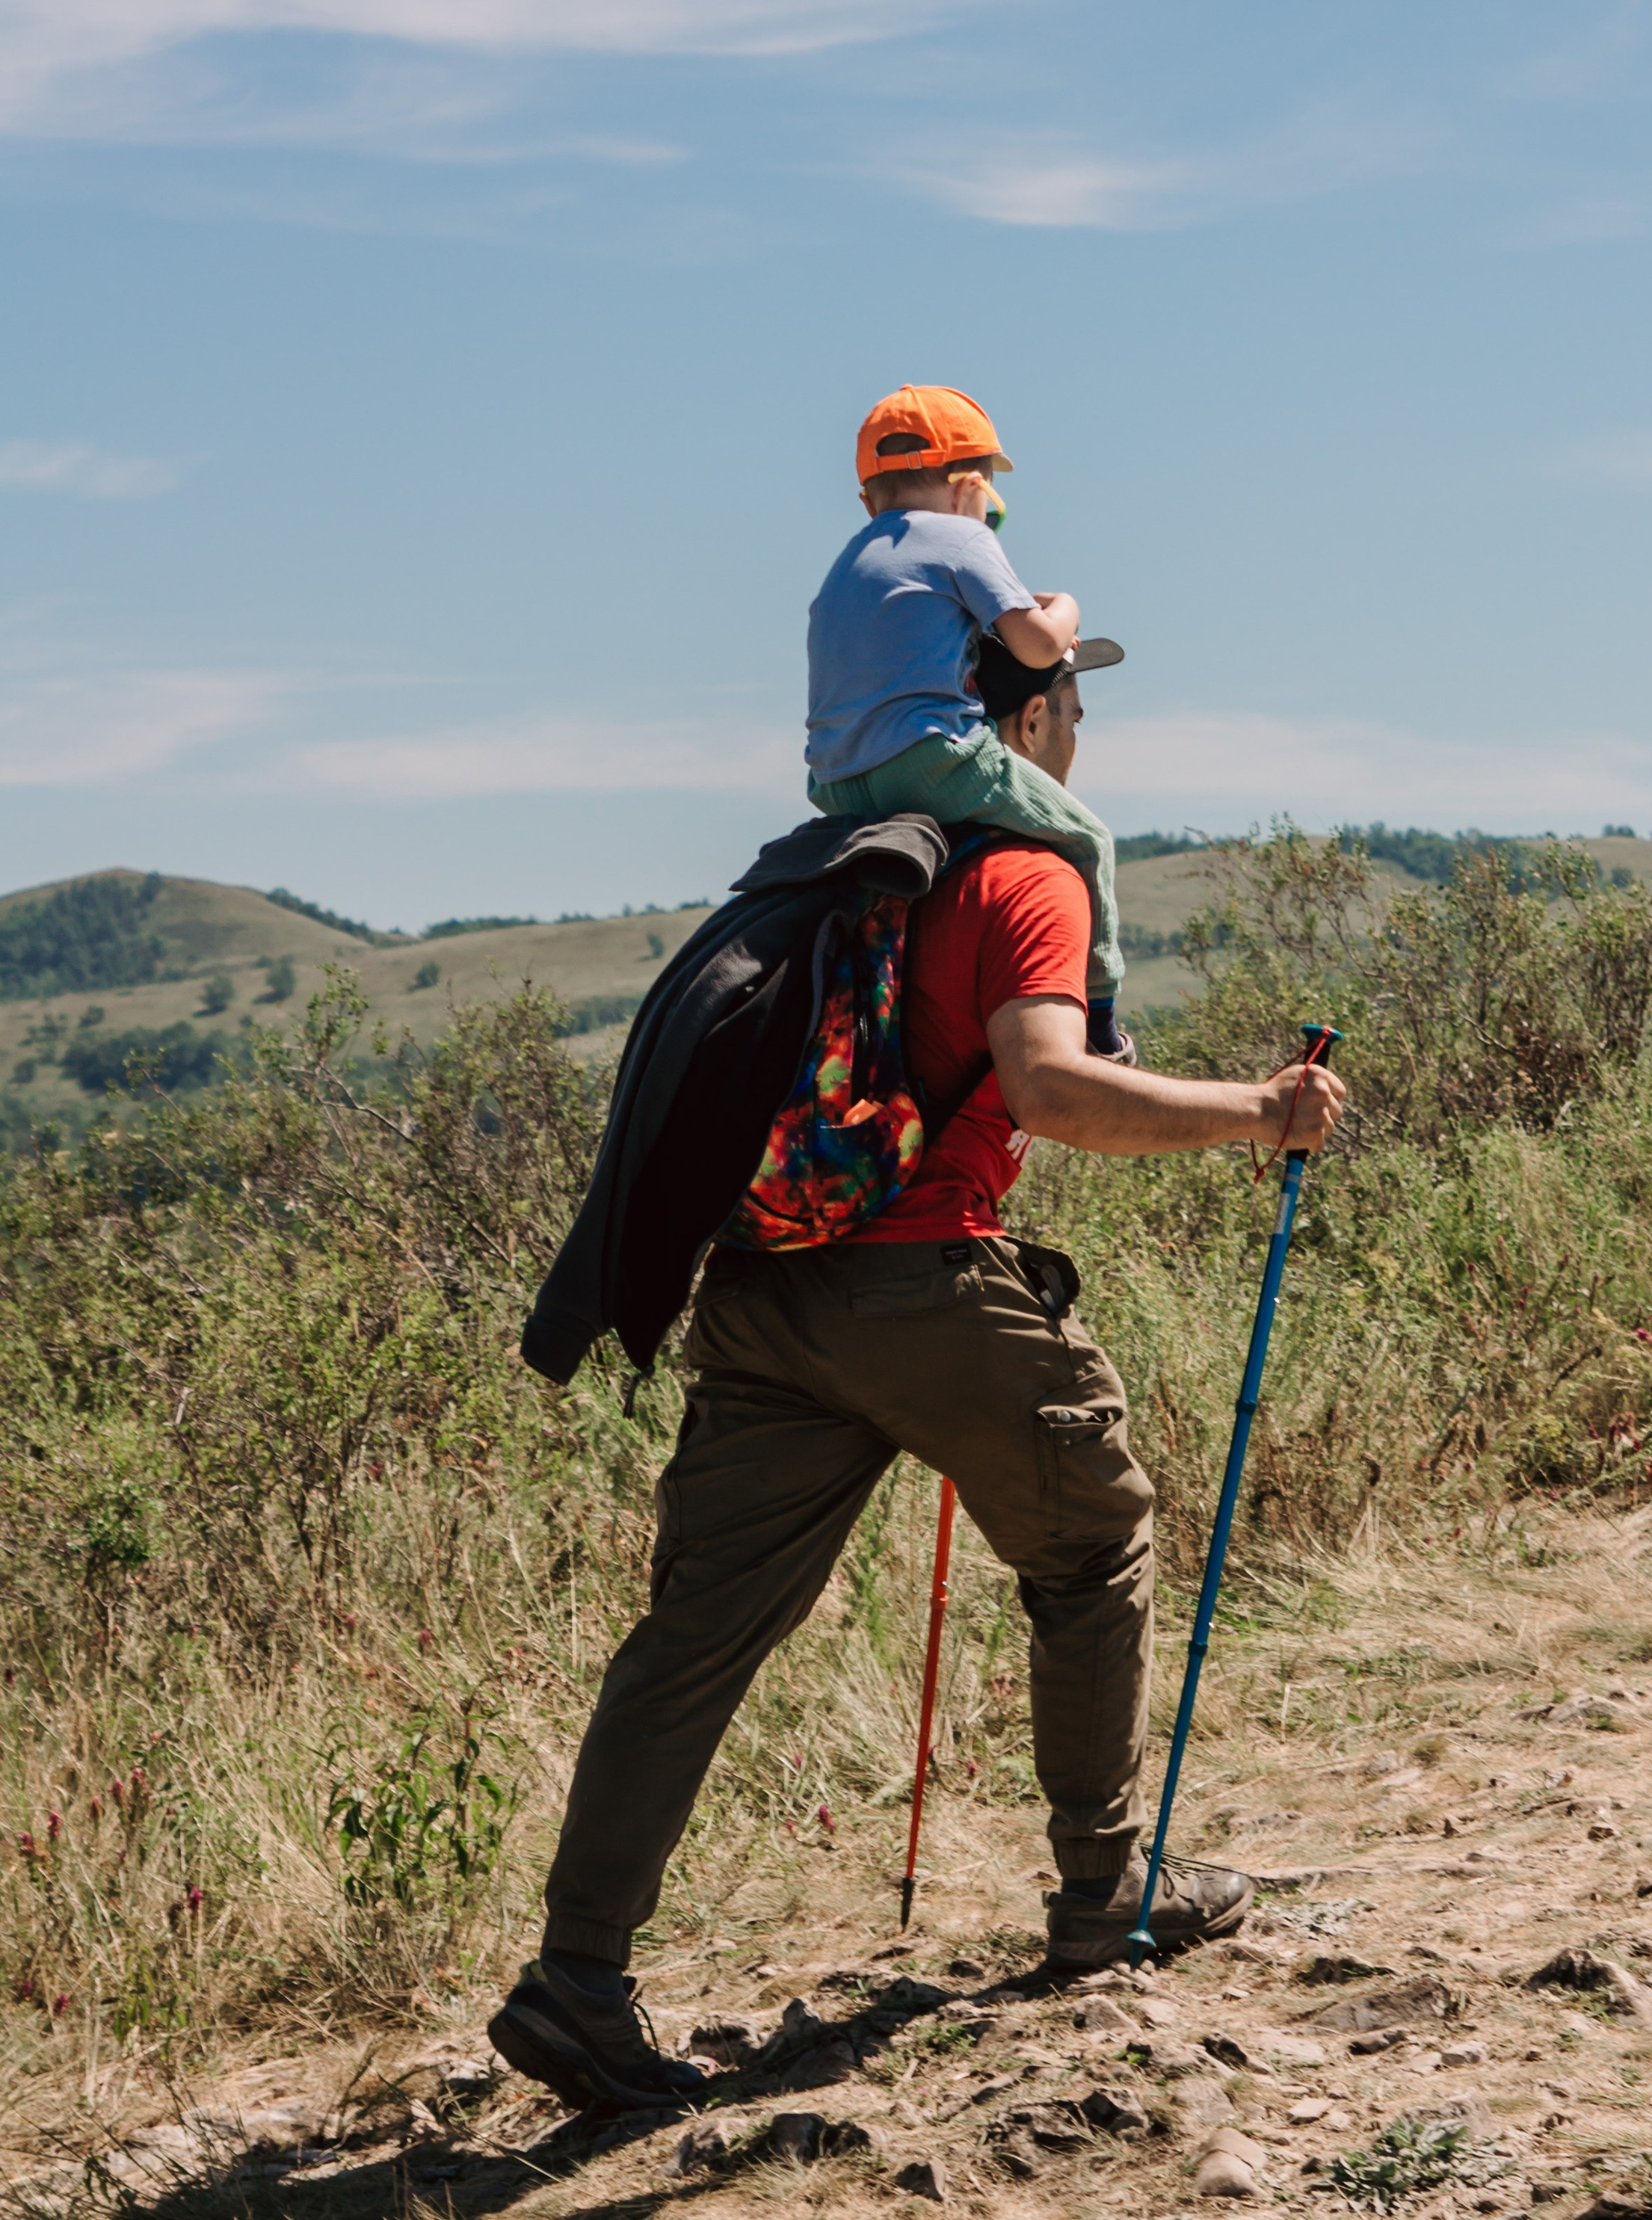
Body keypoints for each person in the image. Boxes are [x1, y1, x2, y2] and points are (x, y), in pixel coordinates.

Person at [489, 659, 1348, 2117]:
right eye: (1069, 708)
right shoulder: (1030, 876)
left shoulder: (847, 879)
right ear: (1022, 728)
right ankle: (1100, 1892)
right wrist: (1261, 1112)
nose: (1080, 734)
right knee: (1095, 1538)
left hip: (762, 1295)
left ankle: (577, 1982)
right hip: (916, 1281)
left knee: (693, 1638)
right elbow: (1051, 1092)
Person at [805, 382, 1129, 1051]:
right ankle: (1101, 1030)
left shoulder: (845, 564)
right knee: (1089, 839)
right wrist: (1066, 607)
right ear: (967, 484)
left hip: (835, 781)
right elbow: (1038, 643)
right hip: (931, 759)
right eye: (987, 493)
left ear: (868, 501)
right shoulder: (960, 538)